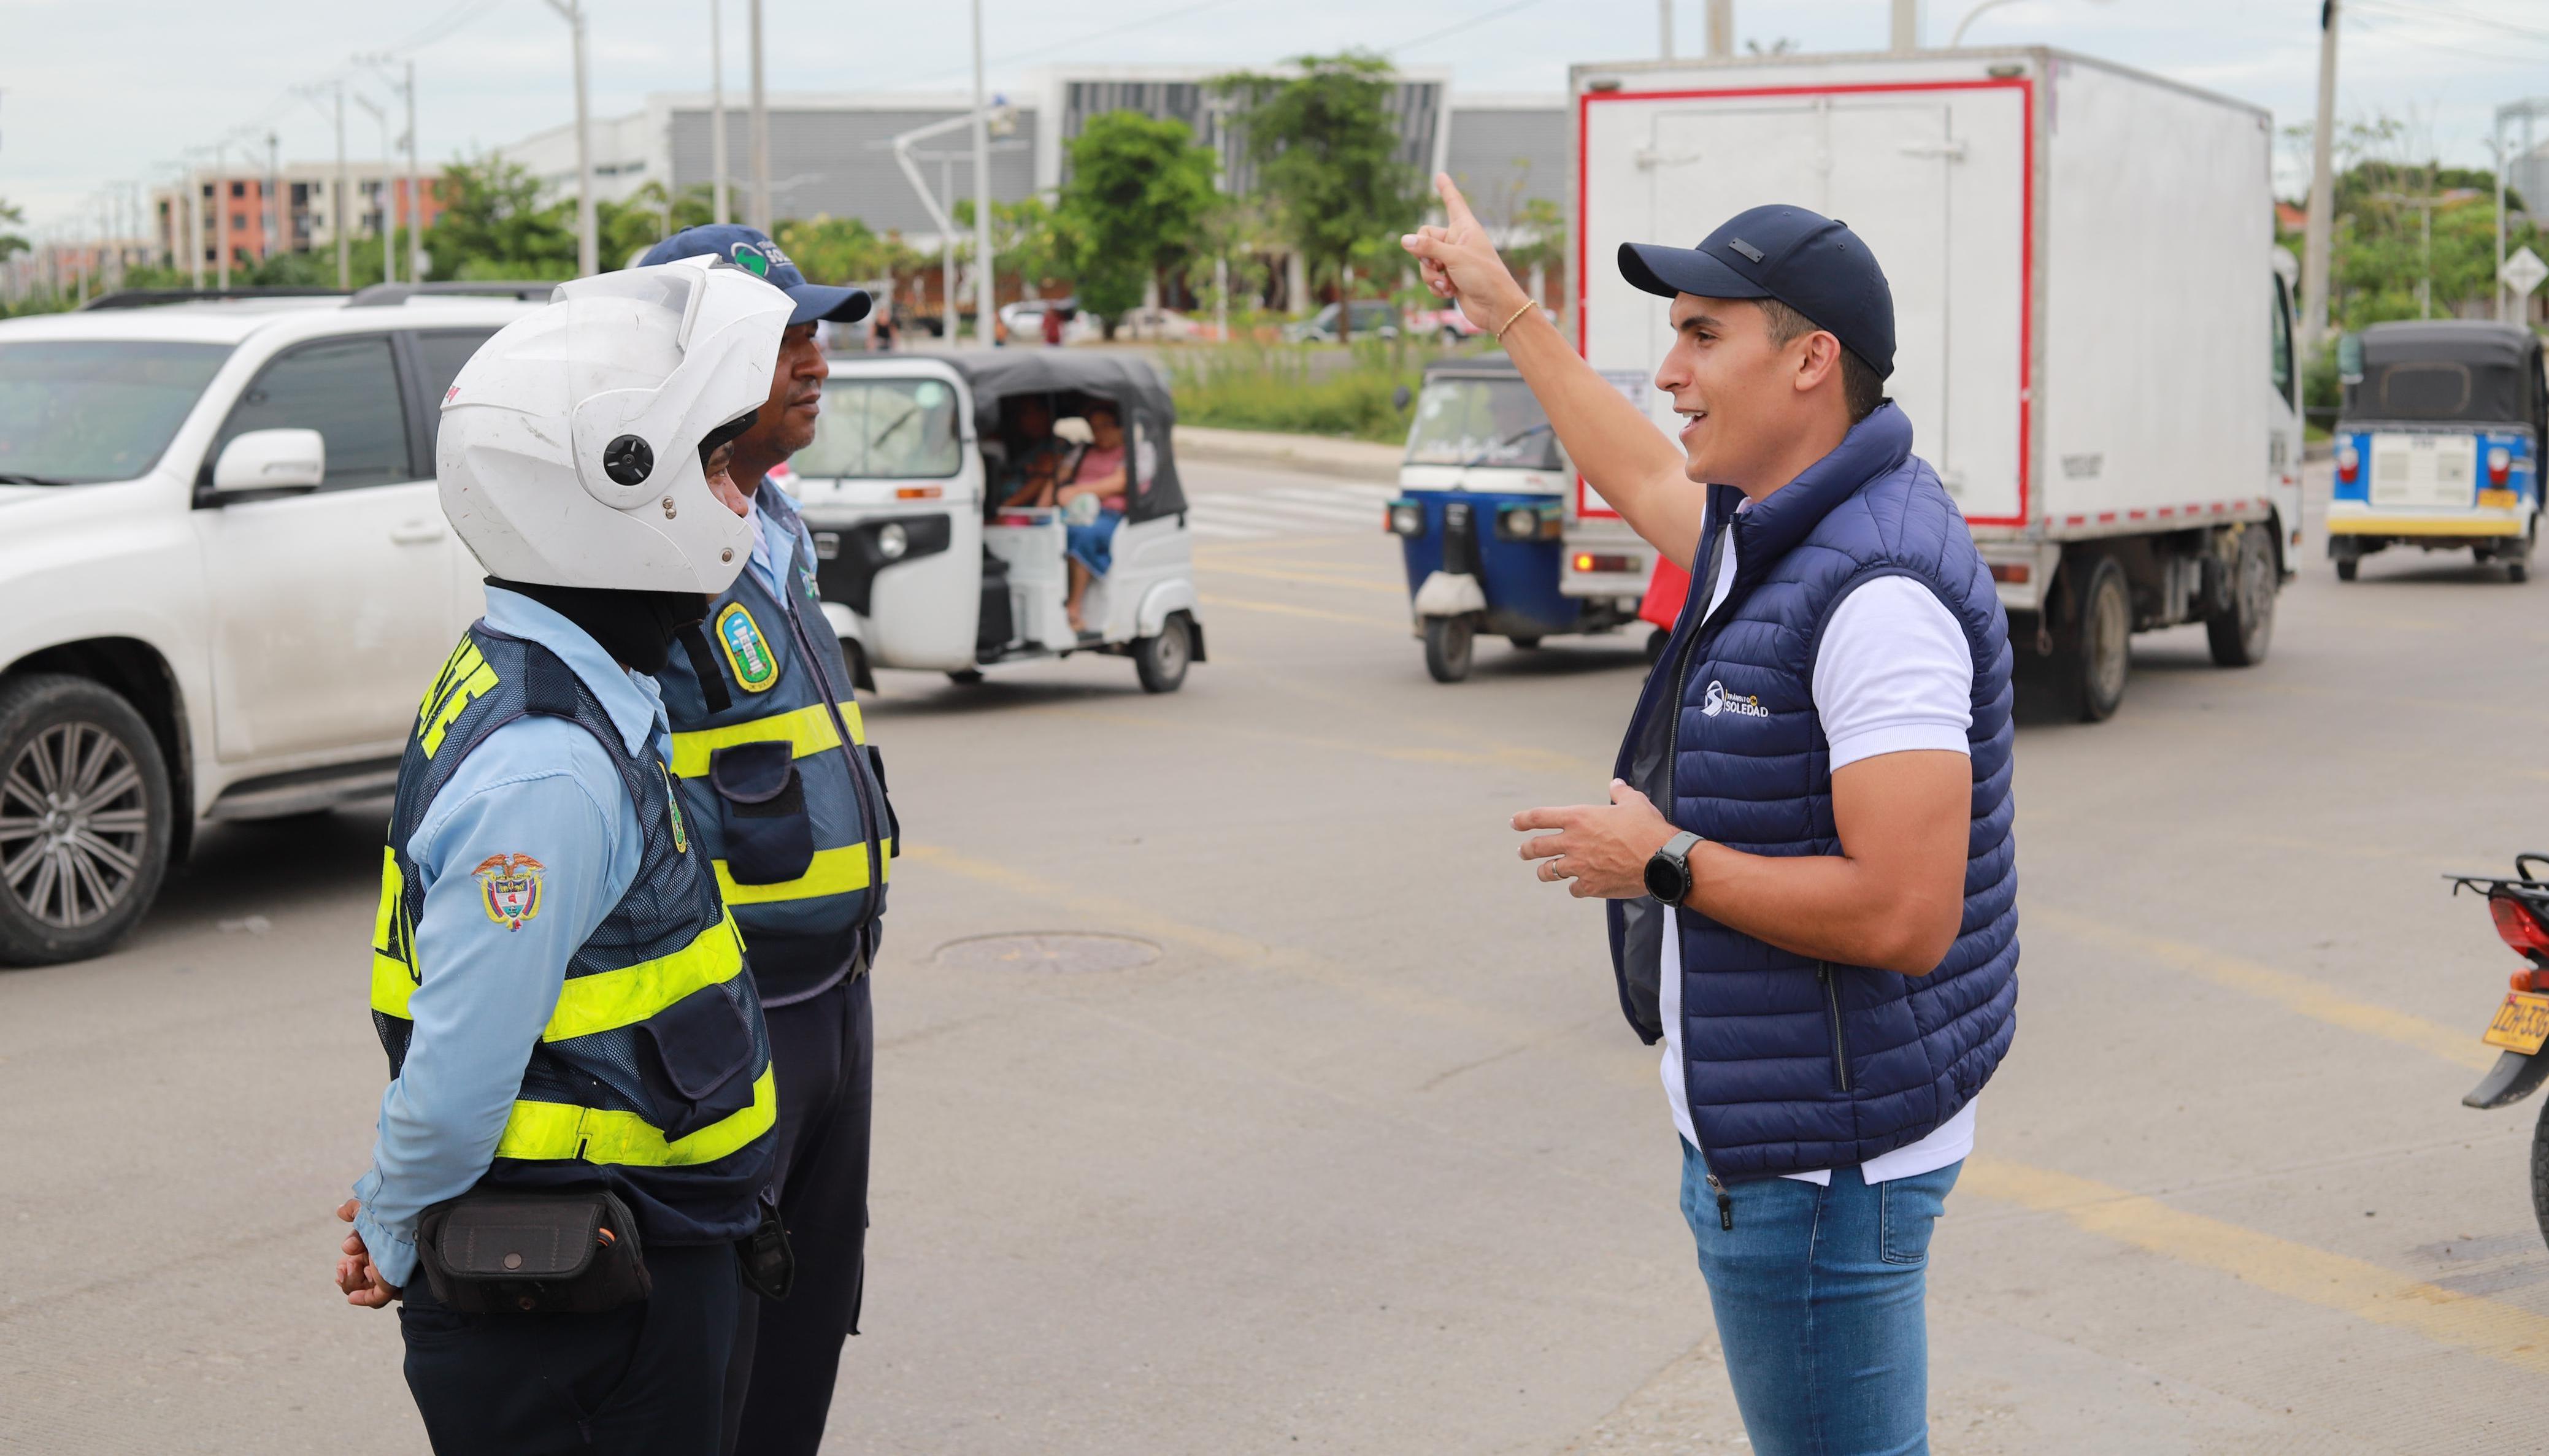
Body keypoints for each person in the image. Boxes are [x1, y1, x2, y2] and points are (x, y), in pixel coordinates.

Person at [1404, 176, 2017, 1455]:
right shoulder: (1789, 527)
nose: (1668, 370)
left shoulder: (1876, 590)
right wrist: (1508, 306)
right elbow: (1633, 469)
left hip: (1818, 1170)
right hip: (1804, 1135)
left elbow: (1907, 913)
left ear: (1809, 361)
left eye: (1699, 335)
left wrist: (1663, 860)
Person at [334, 255, 793, 1455]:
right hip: (582, 1295)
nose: (733, 496)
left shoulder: (565, 675)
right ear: (611, 484)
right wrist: (389, 1223)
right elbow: (455, 1078)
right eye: (706, 460)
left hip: (634, 1247)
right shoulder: (550, 768)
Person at [634, 224, 899, 1456]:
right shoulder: (644, 550)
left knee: (804, 1323)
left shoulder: (775, 522)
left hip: (831, 998)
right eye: (781, 337)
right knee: (713, 1352)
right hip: (730, 1020)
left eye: (816, 331)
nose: (817, 360)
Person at [1055, 400, 1147, 632]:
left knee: (1083, 534)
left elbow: (1120, 482)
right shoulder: (1084, 450)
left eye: (1106, 426)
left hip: (1109, 516)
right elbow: (1062, 476)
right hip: (1072, 511)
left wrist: (1077, 491)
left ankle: (1074, 608)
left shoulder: (1137, 452)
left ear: (1121, 428)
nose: (1100, 433)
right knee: (1043, 530)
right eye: (1095, 428)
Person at [996, 394, 1075, 508]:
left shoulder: (1058, 446)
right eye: (1024, 414)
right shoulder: (1024, 445)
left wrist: (1006, 507)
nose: (1030, 420)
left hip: (1026, 511)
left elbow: (1043, 477)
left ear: (1047, 415)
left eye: (1035, 413)